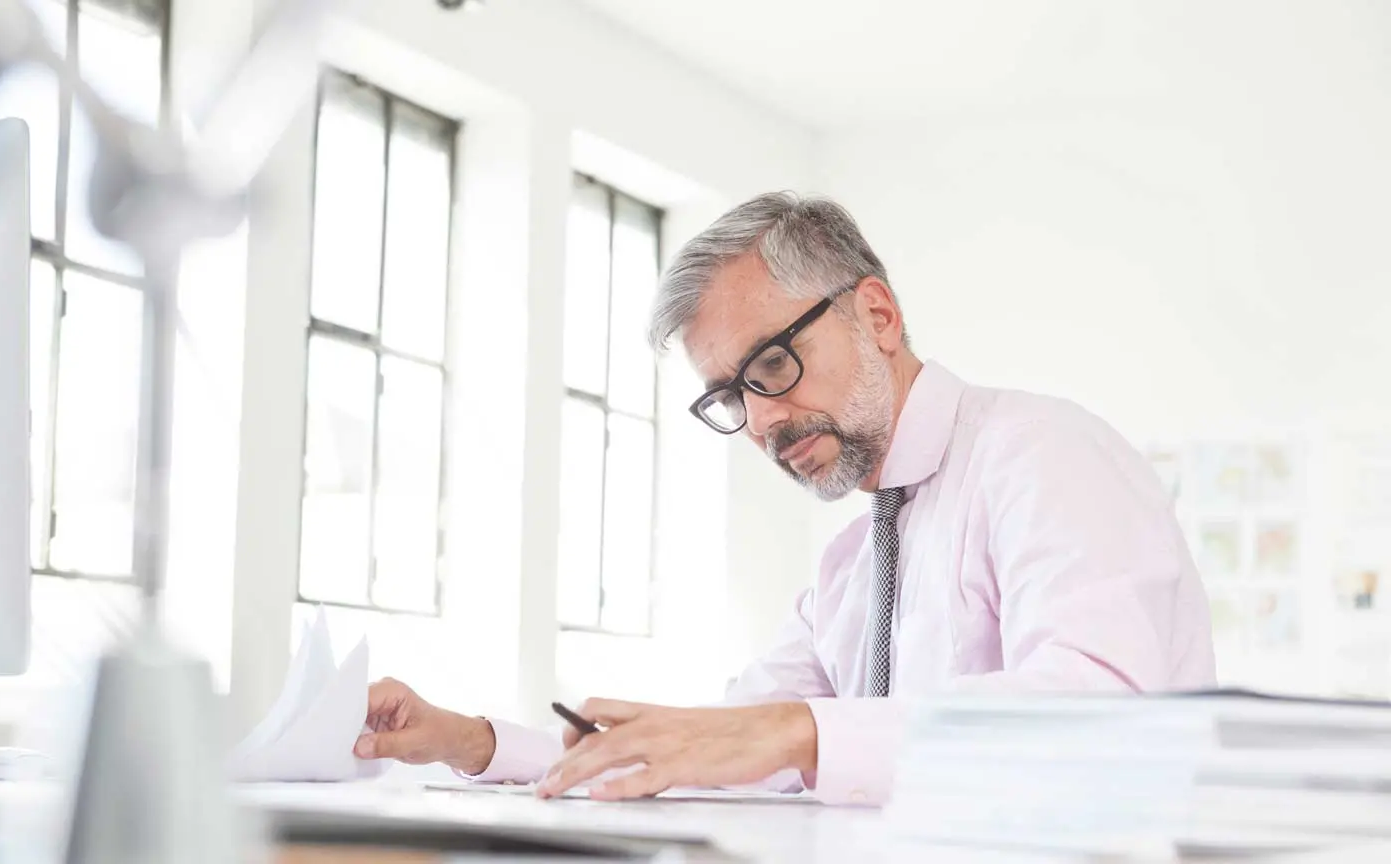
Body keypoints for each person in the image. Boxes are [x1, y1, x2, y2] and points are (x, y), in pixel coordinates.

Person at [355, 192, 1217, 805]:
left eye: (772, 363)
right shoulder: (849, 570)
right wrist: (474, 741)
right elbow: (708, 748)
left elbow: (1102, 715)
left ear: (877, 316)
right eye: (731, 395)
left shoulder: (1043, 452)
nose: (763, 419)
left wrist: (801, 732)